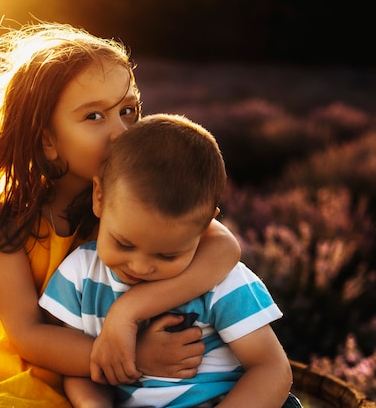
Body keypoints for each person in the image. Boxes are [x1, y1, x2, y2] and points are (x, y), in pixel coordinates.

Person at [0, 22, 241, 408]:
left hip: (124, 370)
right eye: (94, 117)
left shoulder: (131, 201)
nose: (121, 132)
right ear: (47, 138)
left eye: (128, 110)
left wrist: (127, 314)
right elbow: (27, 333)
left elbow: (224, 249)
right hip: (38, 367)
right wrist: (132, 357)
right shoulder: (5, 216)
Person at [39, 114, 299, 408]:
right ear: (99, 196)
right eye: (123, 243)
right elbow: (83, 370)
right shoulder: (79, 276)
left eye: (167, 255)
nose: (139, 267)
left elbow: (271, 369)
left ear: (205, 227)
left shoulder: (221, 282)